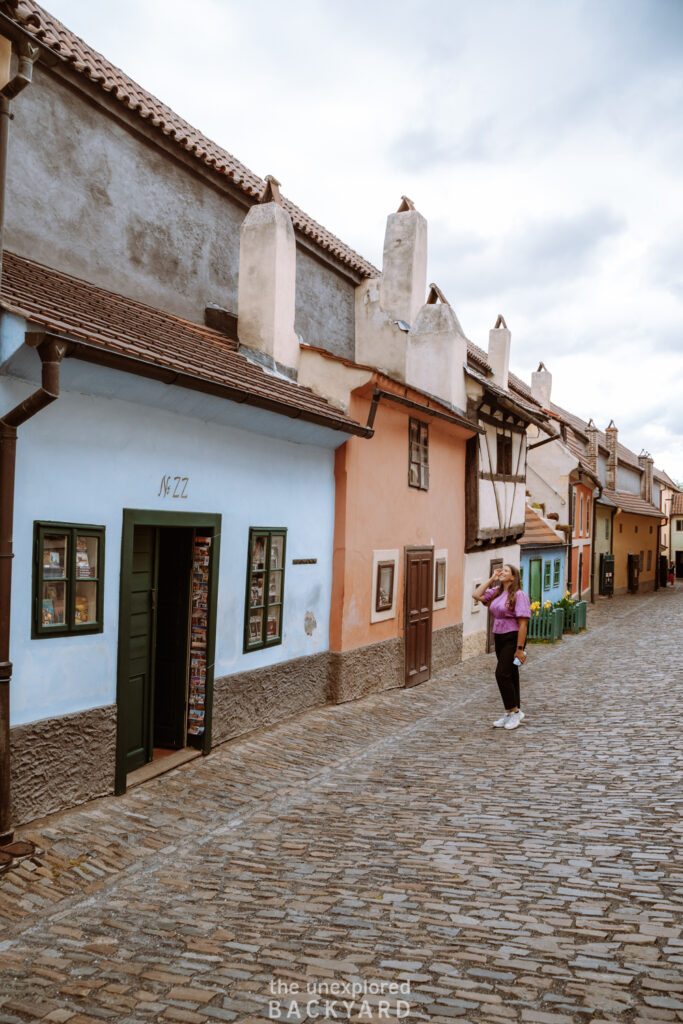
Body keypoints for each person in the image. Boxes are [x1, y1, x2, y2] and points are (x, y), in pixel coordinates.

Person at [473, 565, 531, 731]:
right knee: (511, 674)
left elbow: (523, 624)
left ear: (513, 577)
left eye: (506, 571)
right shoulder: (497, 592)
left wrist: (519, 648)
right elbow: (476, 595)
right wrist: (492, 579)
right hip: (499, 636)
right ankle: (511, 711)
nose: (502, 572)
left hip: (513, 637)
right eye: (501, 570)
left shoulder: (519, 595)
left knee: (502, 673)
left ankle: (514, 712)